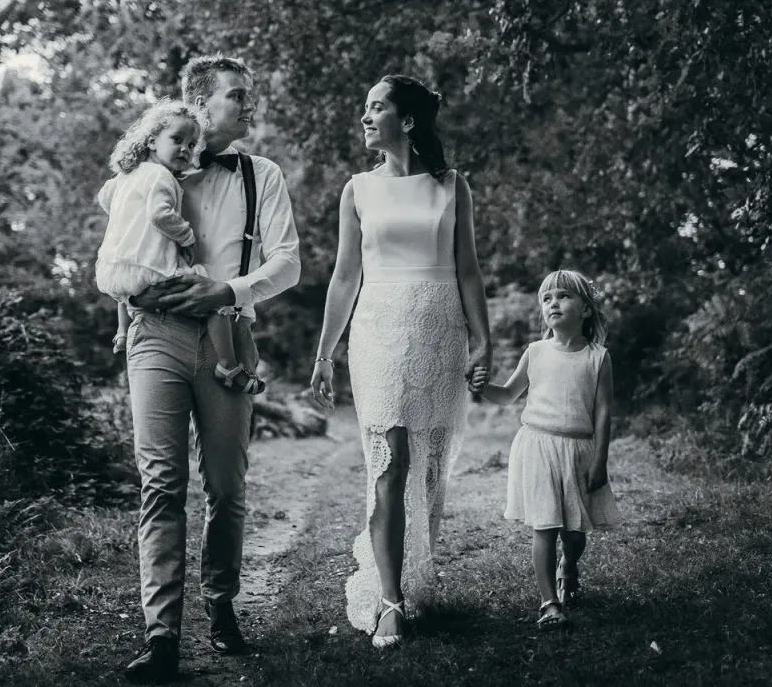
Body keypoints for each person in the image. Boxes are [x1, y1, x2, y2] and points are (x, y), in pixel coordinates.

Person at [116, 55, 300, 684]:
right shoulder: (149, 172)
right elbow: (119, 250)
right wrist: (132, 299)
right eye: (238, 97)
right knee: (161, 483)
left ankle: (221, 605)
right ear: (199, 102)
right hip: (158, 335)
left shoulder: (262, 175)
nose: (251, 107)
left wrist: (226, 292)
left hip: (229, 336)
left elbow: (289, 263)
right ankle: (161, 634)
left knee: (226, 485)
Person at [310, 74, 492, 648]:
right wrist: (325, 351)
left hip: (440, 326)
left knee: (431, 469)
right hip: (379, 327)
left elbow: (468, 269)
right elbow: (344, 276)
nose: (365, 117)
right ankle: (390, 600)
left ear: (406, 120)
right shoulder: (356, 190)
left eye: (376, 107)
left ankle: (417, 574)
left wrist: (484, 341)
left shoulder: (451, 186)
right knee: (390, 461)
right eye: (364, 107)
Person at [477, 268, 622, 630]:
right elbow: (508, 394)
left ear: (585, 310)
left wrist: (600, 460)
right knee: (544, 526)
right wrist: (481, 387)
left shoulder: (598, 358)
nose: (553, 303)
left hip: (579, 450)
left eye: (563, 296)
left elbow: (603, 413)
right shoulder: (536, 352)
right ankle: (549, 603)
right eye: (546, 298)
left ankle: (568, 565)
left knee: (574, 533)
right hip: (538, 446)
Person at [97, 99, 263, 396]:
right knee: (211, 290)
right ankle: (227, 364)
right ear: (151, 140)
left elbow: (104, 198)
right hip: (150, 267)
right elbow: (161, 215)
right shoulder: (160, 176)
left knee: (127, 291)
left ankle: (122, 331)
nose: (185, 149)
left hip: (115, 268)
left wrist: (127, 220)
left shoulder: (124, 177)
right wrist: (186, 237)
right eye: (177, 140)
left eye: (191, 144)